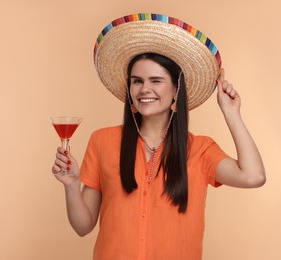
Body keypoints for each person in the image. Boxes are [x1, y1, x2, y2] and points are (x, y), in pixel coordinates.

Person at [52, 13, 265, 260]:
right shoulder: (102, 141)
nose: (144, 89)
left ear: (176, 89)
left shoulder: (200, 149)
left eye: (156, 80)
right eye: (137, 81)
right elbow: (82, 226)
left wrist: (231, 112)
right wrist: (71, 185)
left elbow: (253, 176)